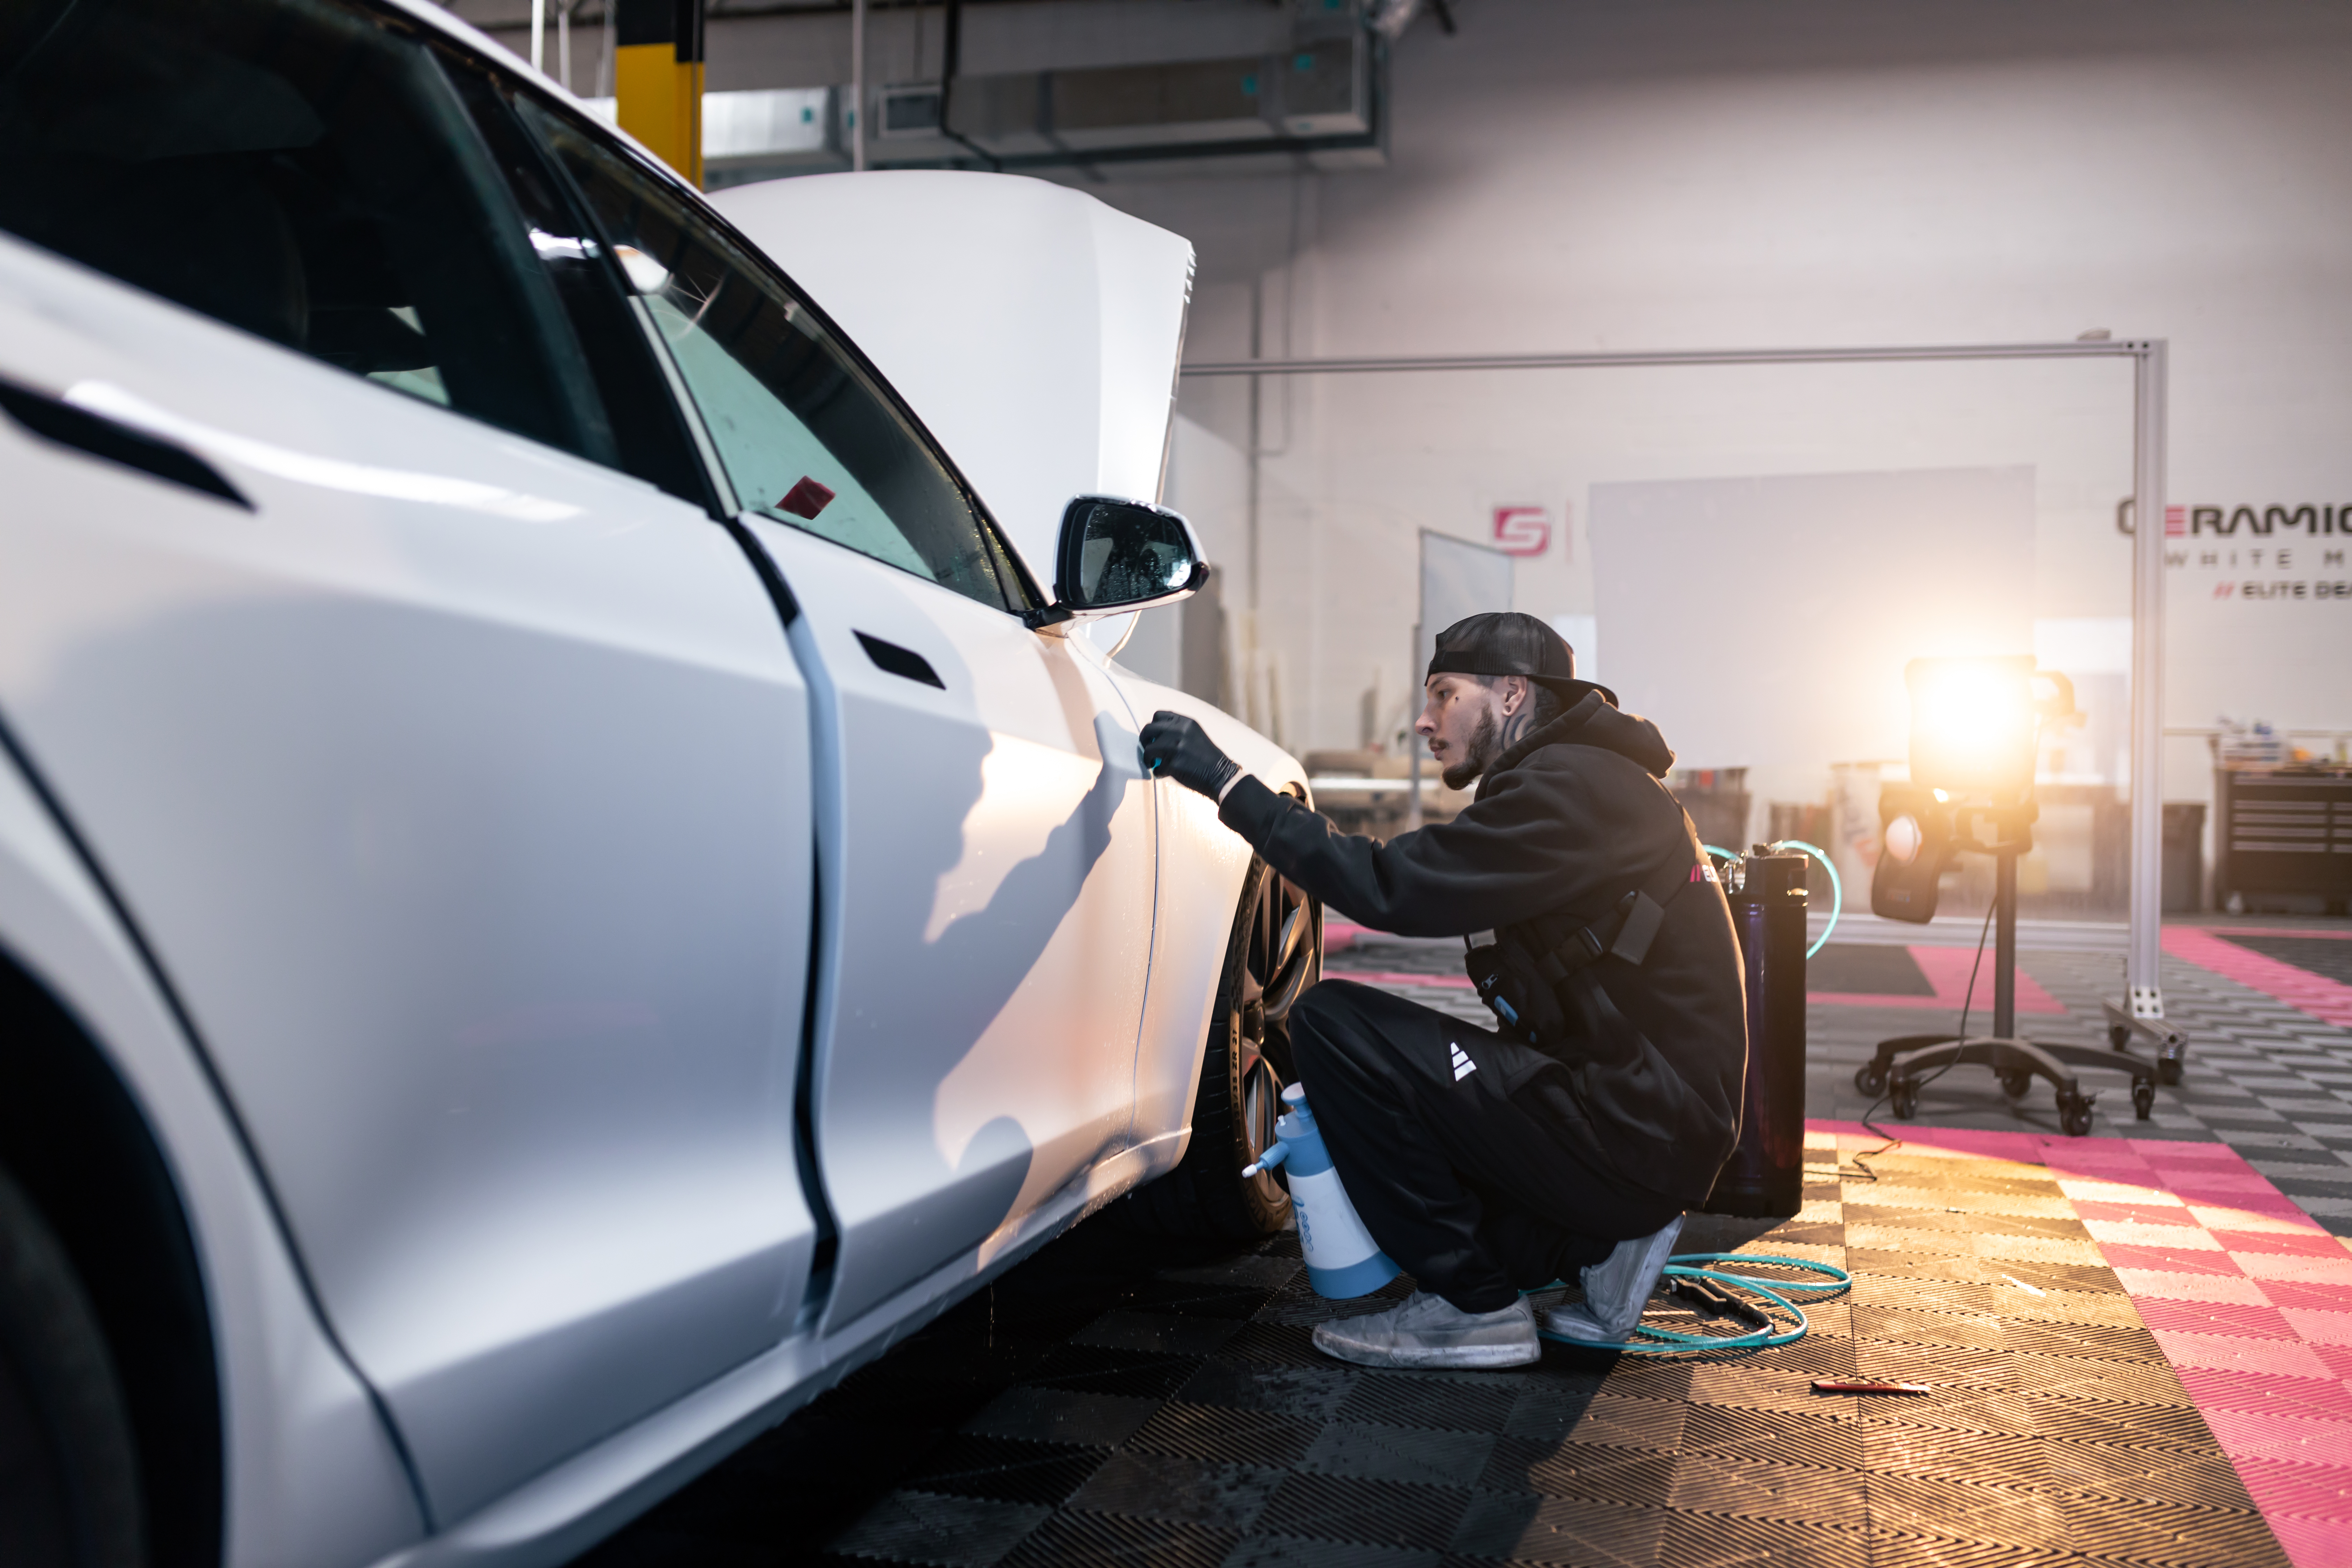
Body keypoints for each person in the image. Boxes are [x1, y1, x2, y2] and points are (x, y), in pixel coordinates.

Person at [1138, 613, 1748, 1370]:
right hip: (1640, 1119)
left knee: (1334, 1024)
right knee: (1438, 1180)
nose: (1424, 720)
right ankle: (1604, 1246)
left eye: (1445, 693)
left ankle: (1474, 1308)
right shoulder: (1586, 782)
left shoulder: (1578, 787)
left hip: (1636, 1127)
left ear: (1513, 694)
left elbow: (1394, 886)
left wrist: (1230, 785)